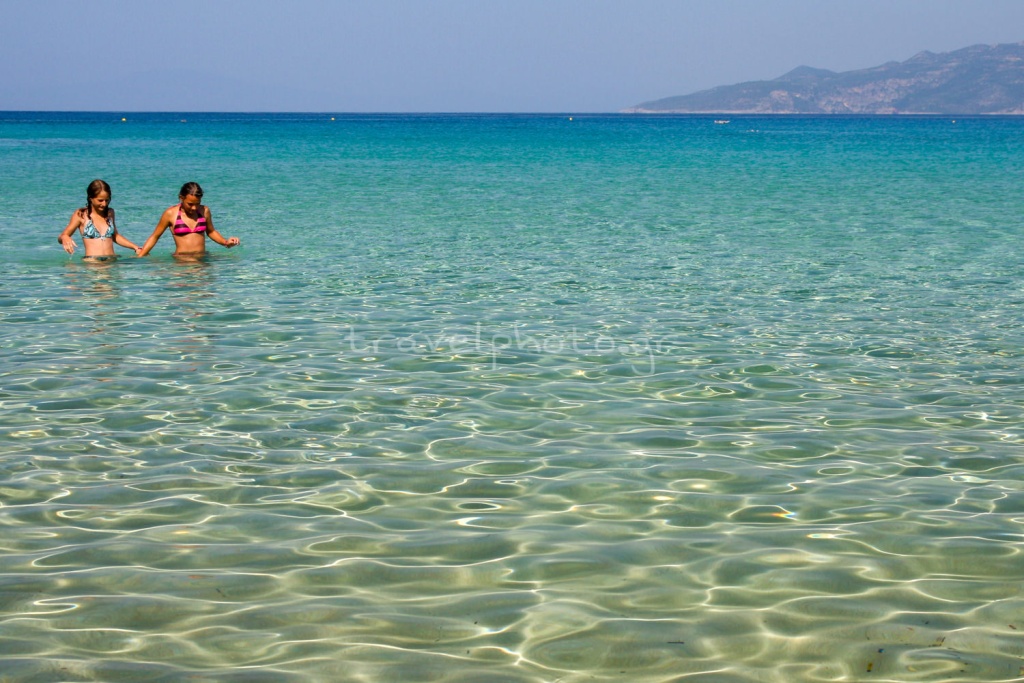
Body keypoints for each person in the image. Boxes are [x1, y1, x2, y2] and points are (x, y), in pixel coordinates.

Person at [137, 182, 240, 258]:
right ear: (181, 198)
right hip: (181, 261)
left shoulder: (205, 210)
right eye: (190, 204)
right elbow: (155, 236)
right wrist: (141, 256)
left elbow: (211, 231)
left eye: (197, 203)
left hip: (202, 260)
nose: (194, 208)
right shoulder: (170, 213)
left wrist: (226, 242)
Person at [57, 179, 142, 260]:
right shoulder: (81, 214)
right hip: (93, 263)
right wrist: (65, 237)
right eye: (100, 200)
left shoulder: (110, 213)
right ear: (91, 198)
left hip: (112, 262)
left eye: (107, 200)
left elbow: (115, 236)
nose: (104, 204)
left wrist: (135, 247)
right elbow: (61, 237)